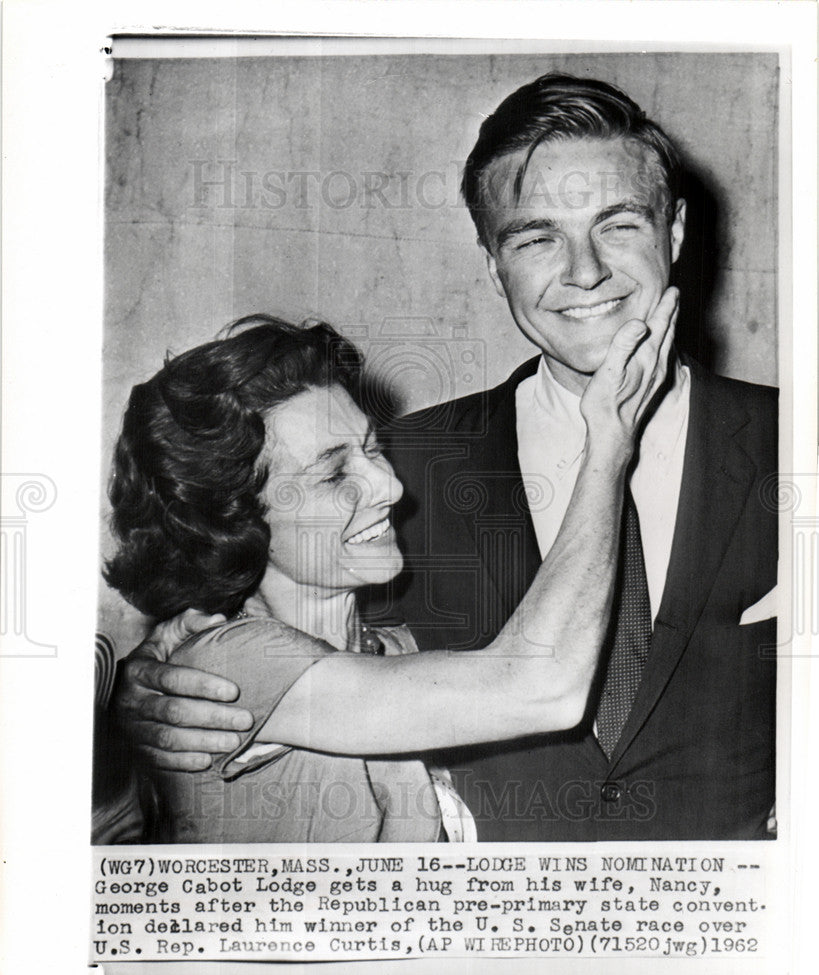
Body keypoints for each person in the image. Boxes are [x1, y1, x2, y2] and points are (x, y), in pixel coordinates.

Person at [116, 73, 777, 841]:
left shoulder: (796, 444)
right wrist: (143, 688)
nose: (585, 270)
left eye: (618, 225)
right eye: (535, 238)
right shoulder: (399, 471)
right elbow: (256, 624)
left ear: (676, 231)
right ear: (493, 263)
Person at [103, 306, 674, 843]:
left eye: (372, 450)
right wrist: (608, 447)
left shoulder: (390, 648)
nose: (390, 488)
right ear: (235, 520)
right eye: (333, 476)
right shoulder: (231, 663)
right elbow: (541, 686)